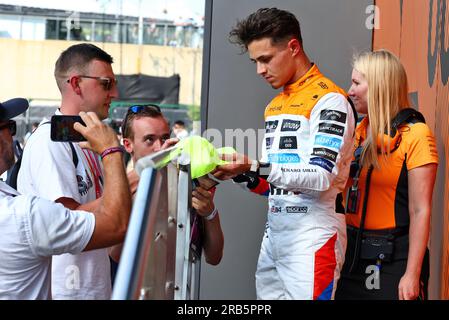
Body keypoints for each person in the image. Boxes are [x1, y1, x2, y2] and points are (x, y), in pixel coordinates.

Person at [213, 8, 356, 300]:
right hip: (274, 238)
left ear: (293, 47)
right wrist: (244, 174)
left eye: (265, 59)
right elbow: (275, 184)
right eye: (255, 62)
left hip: (312, 238)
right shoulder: (274, 106)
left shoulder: (330, 100)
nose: (260, 70)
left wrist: (254, 164)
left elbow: (320, 177)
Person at [0, 98, 131, 299]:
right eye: (10, 126)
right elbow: (116, 226)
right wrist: (111, 151)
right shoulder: (23, 214)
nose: (114, 93)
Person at [17, 43, 119, 299]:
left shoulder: (84, 138)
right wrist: (126, 186)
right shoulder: (50, 141)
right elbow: (65, 219)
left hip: (92, 288)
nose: (115, 93)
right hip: (67, 291)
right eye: (106, 84)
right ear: (76, 84)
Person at [334, 50, 438, 300]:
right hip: (350, 255)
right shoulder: (358, 131)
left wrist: (412, 274)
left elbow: (420, 211)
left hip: (392, 261)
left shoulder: (416, 135)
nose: (350, 90)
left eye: (357, 83)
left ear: (380, 87)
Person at [110, 105, 224, 267]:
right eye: (149, 139)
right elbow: (115, 255)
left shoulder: (187, 179)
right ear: (128, 145)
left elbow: (214, 257)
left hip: (177, 289)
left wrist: (210, 213)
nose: (159, 147)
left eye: (164, 138)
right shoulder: (121, 187)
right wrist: (146, 188)